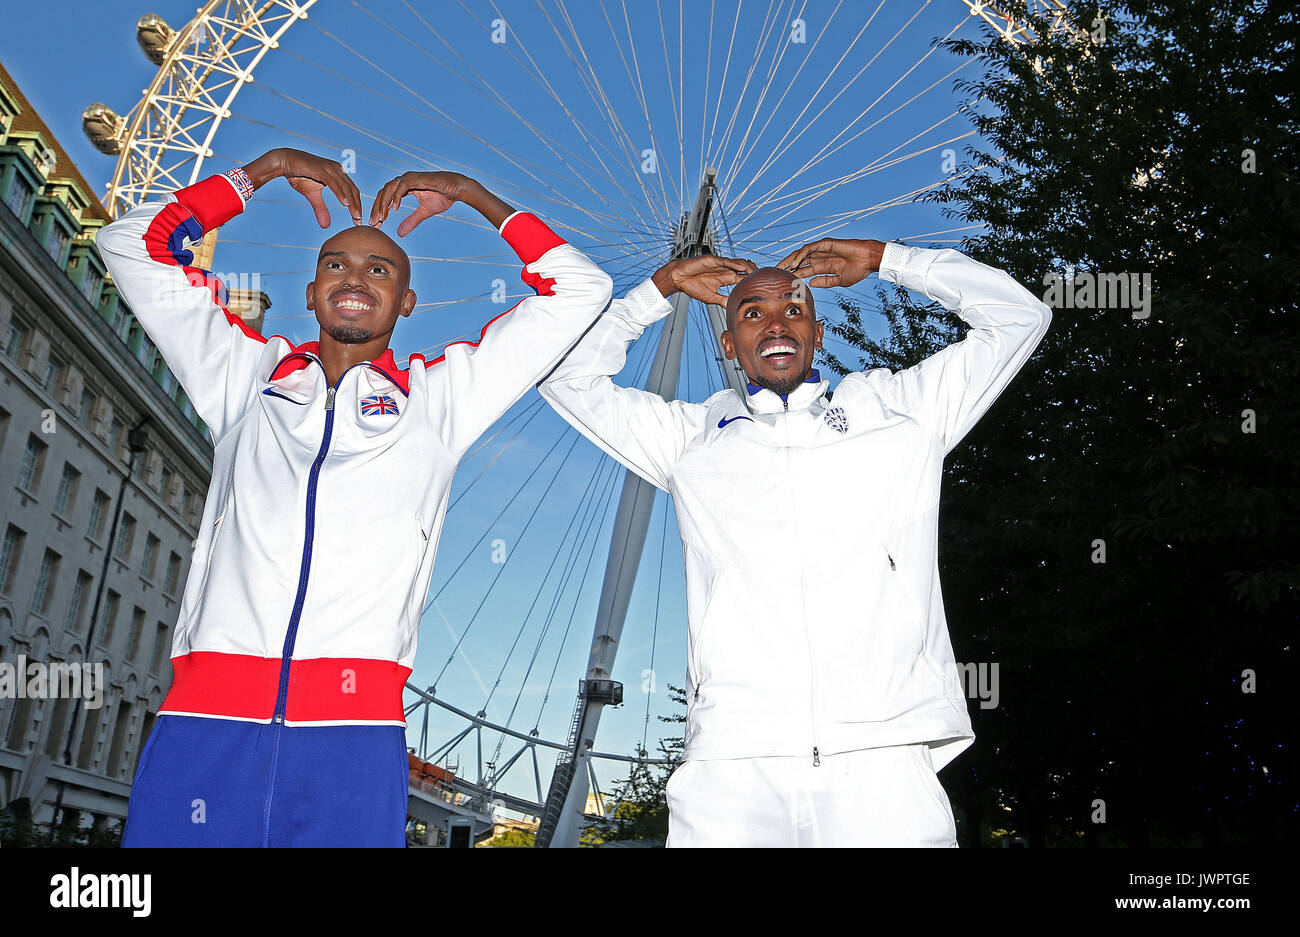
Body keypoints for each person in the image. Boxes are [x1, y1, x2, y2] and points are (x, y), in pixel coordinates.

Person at [96, 148, 613, 846]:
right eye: (336, 262)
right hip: (206, 721)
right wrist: (265, 169)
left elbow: (581, 290)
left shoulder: (442, 398)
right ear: (310, 293)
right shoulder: (242, 376)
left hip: (356, 737)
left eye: (381, 269)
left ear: (406, 303)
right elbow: (129, 243)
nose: (356, 277)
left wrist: (474, 194)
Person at [538, 237, 1051, 847]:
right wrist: (660, 289)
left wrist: (889, 260)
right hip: (732, 766)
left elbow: (1021, 315)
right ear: (729, 344)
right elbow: (564, 376)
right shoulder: (688, 438)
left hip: (882, 757)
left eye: (794, 309)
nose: (775, 323)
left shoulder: (902, 411)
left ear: (817, 333)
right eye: (752, 313)